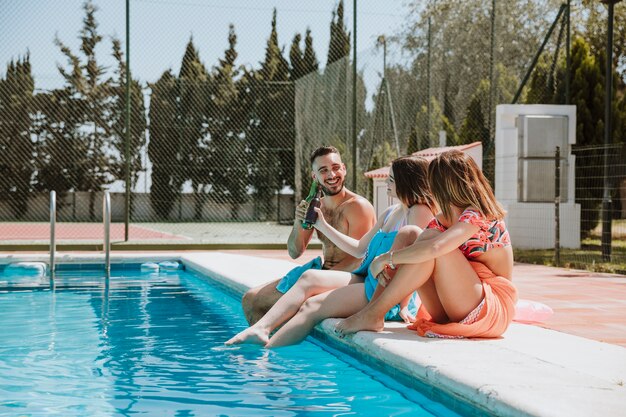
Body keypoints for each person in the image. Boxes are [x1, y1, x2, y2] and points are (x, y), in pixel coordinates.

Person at [226, 156, 436, 347]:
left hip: (383, 295)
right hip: (366, 279)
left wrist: (403, 304)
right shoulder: (392, 212)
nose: (386, 183)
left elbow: (414, 260)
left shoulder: (419, 212)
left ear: (406, 181)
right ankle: (261, 329)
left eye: (391, 179)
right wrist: (322, 224)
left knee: (312, 306)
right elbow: (359, 248)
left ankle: (268, 354)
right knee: (309, 277)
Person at [335, 150, 518, 339]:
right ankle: (373, 310)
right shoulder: (443, 219)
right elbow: (418, 248)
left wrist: (385, 259)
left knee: (434, 247)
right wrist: (404, 303)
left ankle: (373, 314)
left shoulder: (478, 213)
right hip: (453, 303)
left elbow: (435, 249)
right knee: (411, 233)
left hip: (489, 308)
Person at [240, 145, 376, 325]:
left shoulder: (357, 206)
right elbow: (294, 252)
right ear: (315, 176)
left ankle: (275, 344)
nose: (331, 175)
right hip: (322, 273)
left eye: (336, 168)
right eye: (323, 170)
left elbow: (359, 259)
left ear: (344, 169)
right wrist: (298, 222)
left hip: (352, 277)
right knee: (250, 299)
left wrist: (315, 281)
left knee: (284, 306)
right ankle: (269, 352)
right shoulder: (316, 205)